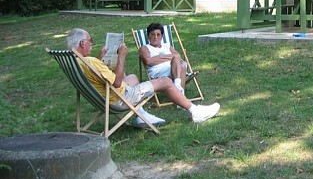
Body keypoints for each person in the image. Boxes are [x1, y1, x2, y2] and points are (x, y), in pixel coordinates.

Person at [66, 28, 220, 125]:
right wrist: (122, 57)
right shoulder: (90, 61)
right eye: (90, 41)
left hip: (103, 97)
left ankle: (141, 116)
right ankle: (196, 111)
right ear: (82, 43)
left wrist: (101, 58)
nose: (92, 44)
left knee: (132, 77)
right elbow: (118, 83)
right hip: (119, 99)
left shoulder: (76, 61)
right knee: (165, 81)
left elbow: (99, 78)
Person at [139, 23, 187, 94]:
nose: (155, 37)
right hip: (158, 73)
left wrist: (157, 58)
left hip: (174, 69)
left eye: (158, 35)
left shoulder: (167, 46)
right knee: (181, 66)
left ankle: (177, 86)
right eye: (152, 34)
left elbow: (178, 56)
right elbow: (148, 61)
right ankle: (180, 93)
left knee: (181, 64)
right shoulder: (145, 48)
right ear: (148, 37)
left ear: (161, 37)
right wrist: (171, 57)